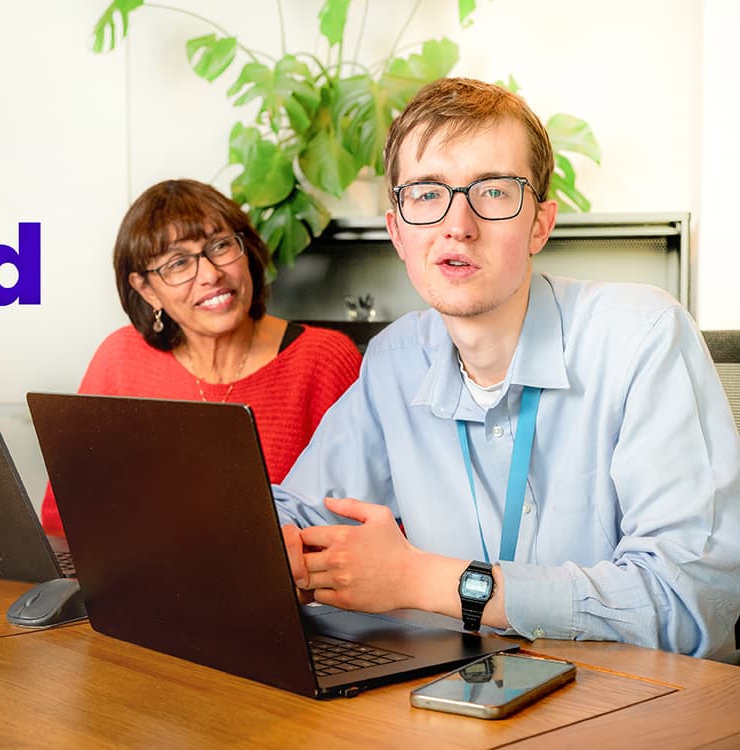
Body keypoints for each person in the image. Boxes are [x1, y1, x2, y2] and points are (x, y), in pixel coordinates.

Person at [273, 77, 740, 659]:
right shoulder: (395, 361)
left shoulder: (642, 337)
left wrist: (423, 580)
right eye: (427, 194)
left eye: (493, 191)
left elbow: (691, 602)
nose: (458, 225)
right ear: (397, 231)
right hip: (452, 691)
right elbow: (298, 514)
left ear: (540, 224)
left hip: (627, 697)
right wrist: (273, 545)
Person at [41, 179, 362, 535]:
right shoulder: (119, 359)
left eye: (221, 246)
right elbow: (62, 518)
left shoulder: (325, 359)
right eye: (178, 263)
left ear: (247, 251)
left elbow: (364, 521)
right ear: (147, 290)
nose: (211, 274)